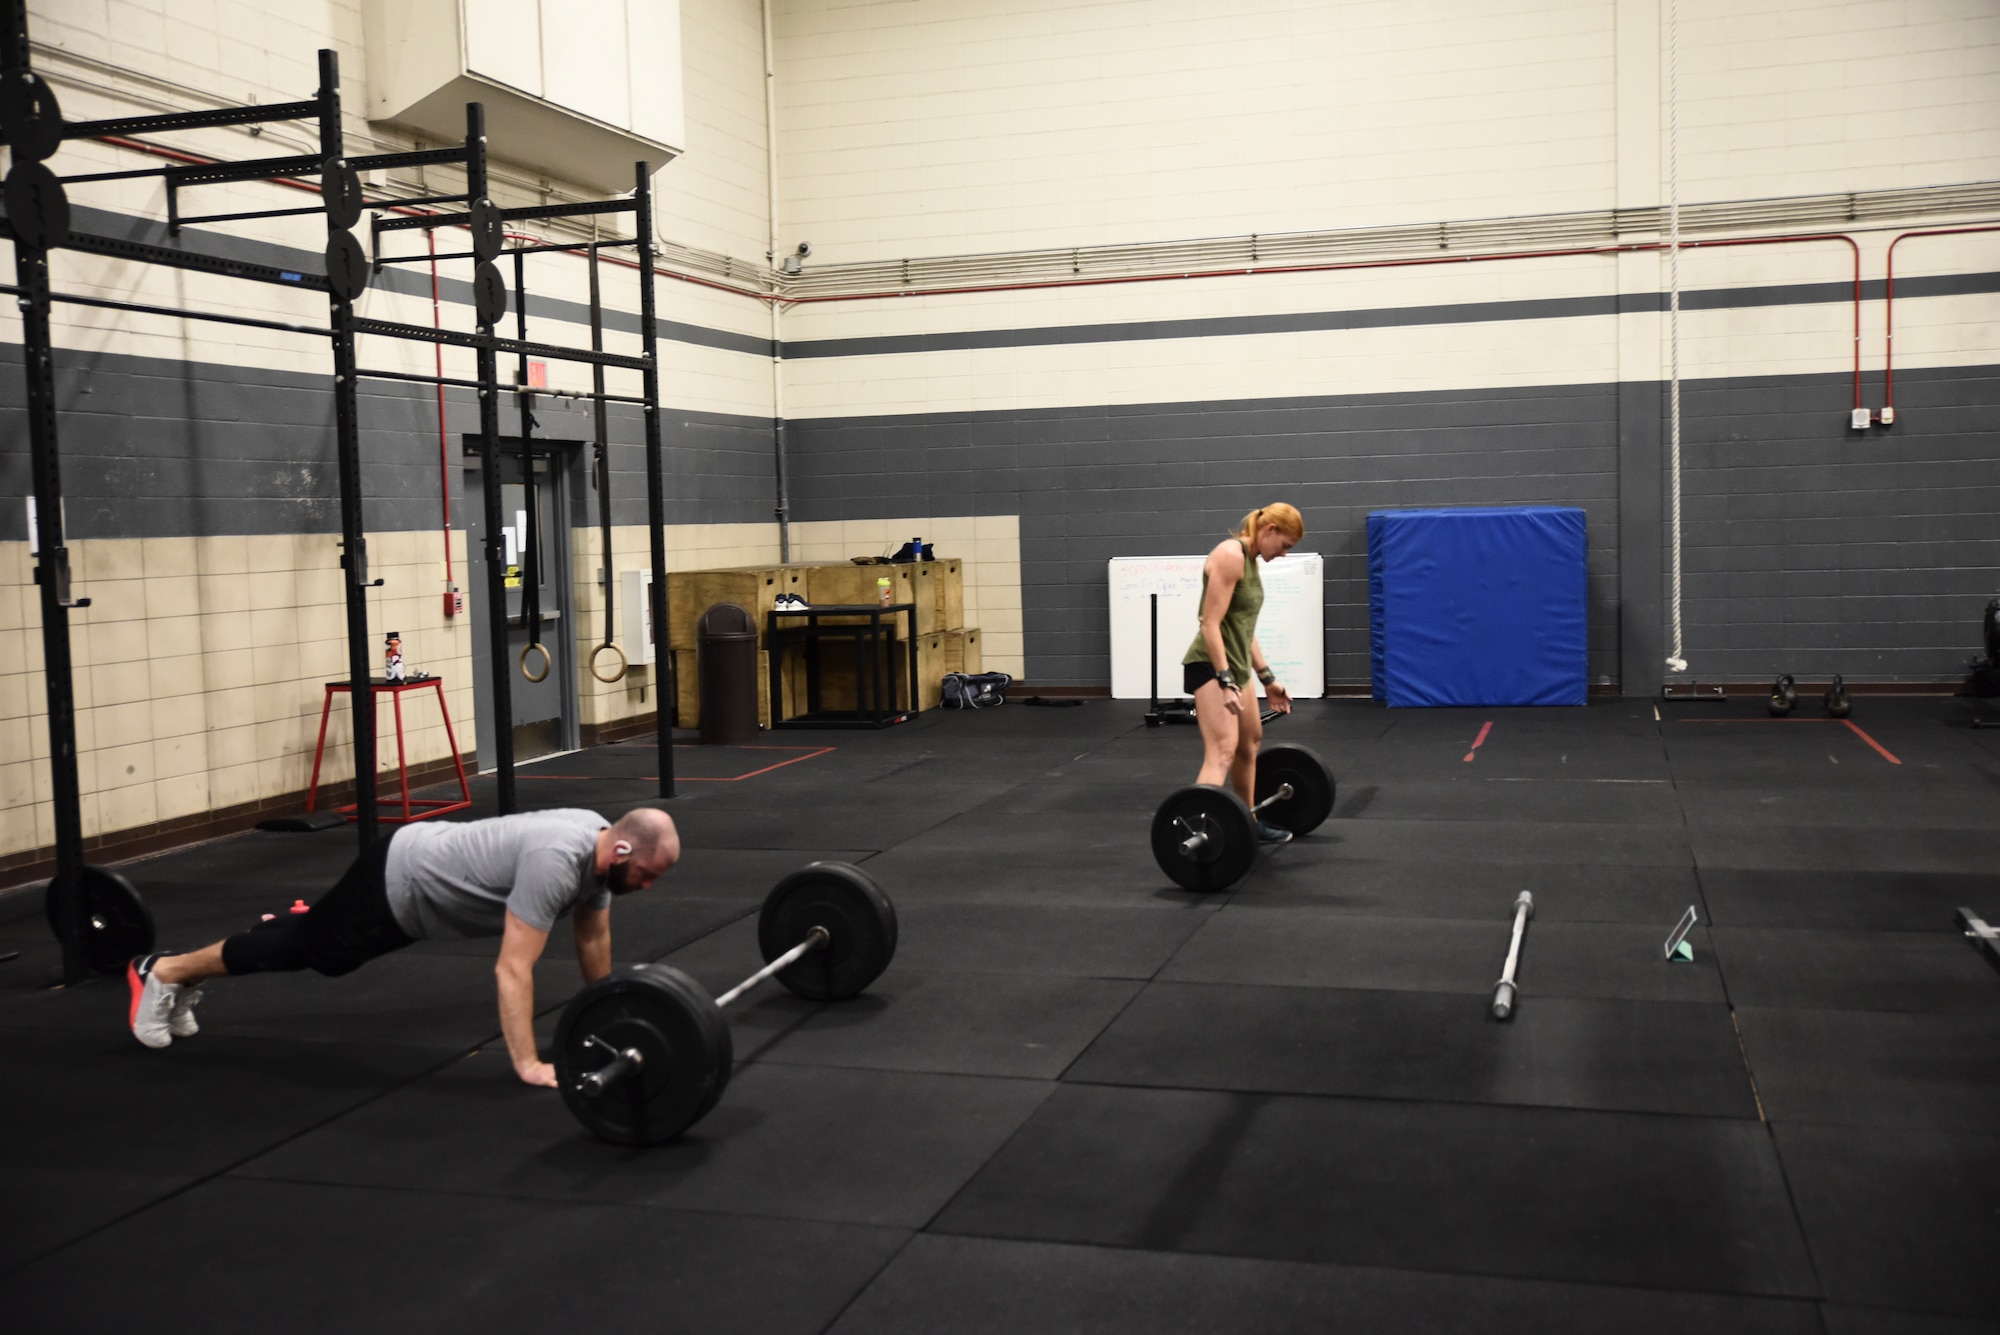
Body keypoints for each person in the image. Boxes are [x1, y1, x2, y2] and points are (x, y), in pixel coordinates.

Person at [125, 806, 681, 1088]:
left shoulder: (601, 847)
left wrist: (607, 1017)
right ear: (624, 848)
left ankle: (205, 962)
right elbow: (512, 970)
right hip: (401, 881)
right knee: (309, 951)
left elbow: (592, 934)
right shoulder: (556, 863)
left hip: (416, 885)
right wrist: (529, 1064)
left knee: (316, 946)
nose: (648, 887)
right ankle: (164, 972)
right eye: (648, 876)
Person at [1181, 503, 1305, 842]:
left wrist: (1268, 679)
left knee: (1249, 744)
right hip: (1210, 665)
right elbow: (1210, 625)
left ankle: (1245, 821)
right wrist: (1224, 681)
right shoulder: (1230, 555)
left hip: (1237, 667)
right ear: (1270, 531)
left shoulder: (1250, 562)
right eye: (1285, 546)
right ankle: (1199, 830)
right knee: (1222, 749)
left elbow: (1243, 630)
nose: (1283, 554)